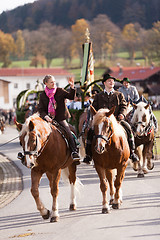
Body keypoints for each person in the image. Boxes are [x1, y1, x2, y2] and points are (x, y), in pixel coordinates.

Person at [83, 73, 139, 164]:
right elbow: (94, 108)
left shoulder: (119, 94)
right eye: (109, 81)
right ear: (104, 83)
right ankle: (88, 155)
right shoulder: (98, 96)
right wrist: (97, 117)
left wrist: (122, 115)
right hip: (102, 122)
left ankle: (132, 152)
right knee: (90, 131)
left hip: (117, 120)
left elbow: (124, 106)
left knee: (128, 128)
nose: (111, 82)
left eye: (112, 81)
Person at [38, 75, 80, 164]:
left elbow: (71, 97)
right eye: (51, 82)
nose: (54, 83)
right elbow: (41, 109)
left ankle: (74, 152)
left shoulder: (60, 91)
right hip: (47, 119)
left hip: (60, 118)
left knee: (68, 132)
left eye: (54, 81)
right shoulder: (42, 95)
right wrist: (45, 116)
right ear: (46, 83)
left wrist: (72, 87)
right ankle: (34, 154)